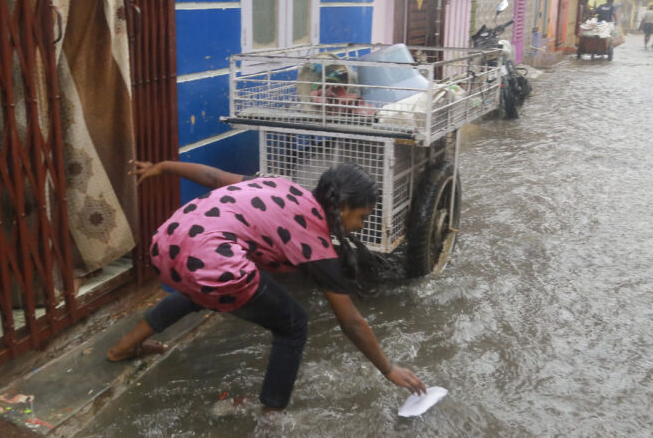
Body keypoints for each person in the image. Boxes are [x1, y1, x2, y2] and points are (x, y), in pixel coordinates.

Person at [106, 159, 427, 413]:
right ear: (342, 209)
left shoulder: (281, 185)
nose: (360, 225)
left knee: (202, 290)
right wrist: (388, 369)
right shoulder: (316, 245)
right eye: (362, 217)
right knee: (294, 324)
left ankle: (124, 347)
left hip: (167, 242)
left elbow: (214, 177)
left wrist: (163, 166)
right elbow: (352, 323)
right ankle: (271, 413)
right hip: (209, 259)